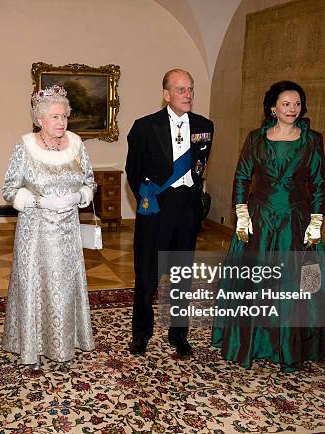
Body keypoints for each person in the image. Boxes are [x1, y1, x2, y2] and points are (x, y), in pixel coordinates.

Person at [211, 80, 325, 372]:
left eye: (297, 104)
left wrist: (317, 221)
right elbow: (242, 177)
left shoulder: (312, 140)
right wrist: (242, 214)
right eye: (286, 103)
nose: (292, 109)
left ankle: (290, 345)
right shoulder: (256, 138)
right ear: (273, 108)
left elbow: (318, 183)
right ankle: (251, 341)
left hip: (296, 221)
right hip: (259, 222)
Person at [1, 85, 96, 369]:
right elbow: (9, 189)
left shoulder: (77, 145)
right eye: (54, 117)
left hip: (67, 232)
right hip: (36, 232)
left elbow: (89, 181)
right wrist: (41, 202)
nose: (61, 122)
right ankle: (32, 346)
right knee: (37, 286)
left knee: (64, 288)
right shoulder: (25, 146)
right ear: (39, 119)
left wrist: (79, 196)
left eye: (64, 116)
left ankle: (65, 343)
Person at [125, 69, 214, 357]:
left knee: (182, 274)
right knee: (147, 274)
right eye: (181, 90)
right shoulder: (144, 127)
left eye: (190, 89)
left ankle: (179, 334)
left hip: (187, 208)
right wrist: (147, 199)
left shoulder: (205, 126)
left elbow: (200, 167)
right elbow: (134, 170)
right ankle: (141, 334)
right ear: (166, 95)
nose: (187, 95)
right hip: (157, 208)